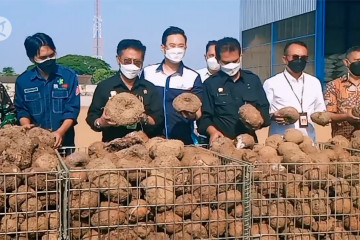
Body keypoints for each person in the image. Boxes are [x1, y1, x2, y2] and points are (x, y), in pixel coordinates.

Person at [86, 39, 164, 142]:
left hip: (143, 148)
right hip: (113, 147)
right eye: (127, 61)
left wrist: (143, 118)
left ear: (142, 62)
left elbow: (158, 120)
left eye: (137, 62)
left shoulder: (150, 89)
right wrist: (101, 122)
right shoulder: (104, 87)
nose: (132, 65)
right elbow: (92, 117)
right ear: (118, 59)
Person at [198, 37, 270, 143]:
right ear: (218, 59)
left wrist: (259, 120)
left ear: (240, 57)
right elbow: (204, 118)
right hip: (222, 143)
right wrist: (212, 132)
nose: (231, 66)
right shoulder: (210, 84)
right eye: (226, 63)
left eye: (235, 61)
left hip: (249, 143)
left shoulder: (252, 80)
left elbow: (264, 109)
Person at [14, 33, 80, 148]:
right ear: (32, 58)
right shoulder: (23, 81)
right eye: (43, 58)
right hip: (36, 145)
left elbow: (72, 109)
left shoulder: (69, 76)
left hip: (64, 144)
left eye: (51, 55)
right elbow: (21, 110)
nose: (48, 60)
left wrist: (60, 132)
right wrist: (26, 125)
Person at [141, 26, 202, 144]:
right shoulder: (148, 72)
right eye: (172, 46)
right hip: (151, 141)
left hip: (183, 142)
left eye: (181, 46)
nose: (177, 50)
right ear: (163, 47)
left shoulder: (193, 76)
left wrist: (191, 114)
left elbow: (199, 111)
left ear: (186, 47)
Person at [263, 41, 326, 141]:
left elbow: (320, 110)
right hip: (281, 142)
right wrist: (273, 116)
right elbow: (264, 113)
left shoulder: (314, 82)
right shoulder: (271, 83)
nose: (299, 61)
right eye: (295, 57)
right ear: (285, 59)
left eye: (303, 58)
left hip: (308, 141)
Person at [324, 46, 360, 139]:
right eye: (357, 60)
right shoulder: (333, 85)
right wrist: (346, 117)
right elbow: (329, 115)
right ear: (346, 62)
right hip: (341, 141)